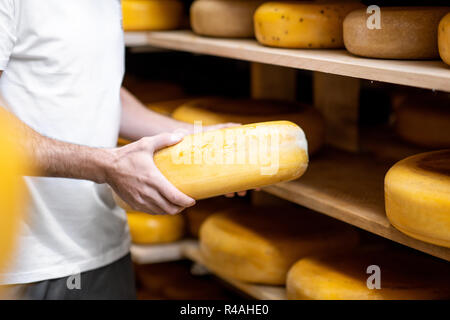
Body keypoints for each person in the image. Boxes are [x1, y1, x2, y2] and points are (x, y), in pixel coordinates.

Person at [0, 0, 243, 299]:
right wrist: (106, 166)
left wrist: (195, 137)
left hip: (104, 243)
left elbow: (93, 86)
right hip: (27, 266)